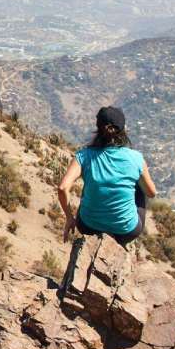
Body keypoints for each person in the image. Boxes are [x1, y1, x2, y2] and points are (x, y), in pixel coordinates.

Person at [56, 105, 156, 246]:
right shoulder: (136, 158)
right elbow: (151, 193)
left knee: (89, 184)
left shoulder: (84, 156)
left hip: (88, 227)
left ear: (98, 128)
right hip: (126, 231)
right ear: (123, 129)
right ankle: (116, 243)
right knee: (140, 187)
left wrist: (69, 218)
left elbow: (62, 188)